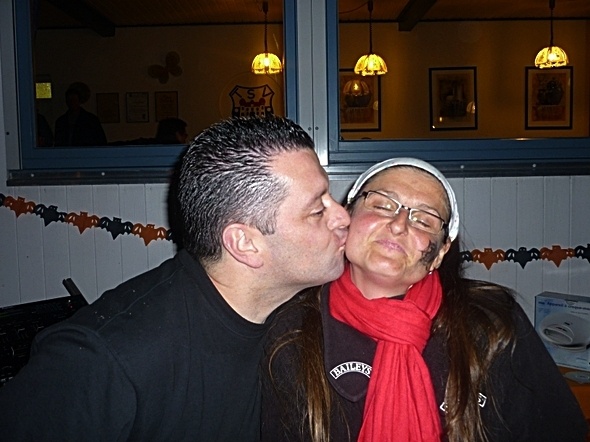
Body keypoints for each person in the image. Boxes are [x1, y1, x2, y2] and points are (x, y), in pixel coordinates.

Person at [0, 116, 350, 441]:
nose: (343, 217)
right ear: (245, 244)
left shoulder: (301, 312)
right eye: (317, 210)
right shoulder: (103, 362)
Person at [262, 157, 587, 442]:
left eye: (424, 220)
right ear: (348, 217)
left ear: (440, 253)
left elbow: (557, 429)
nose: (399, 225)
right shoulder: (289, 329)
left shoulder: (493, 323)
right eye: (382, 205)